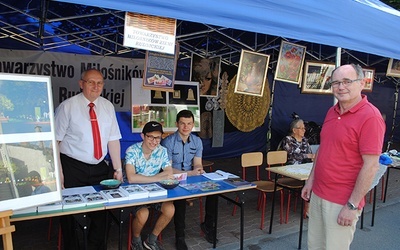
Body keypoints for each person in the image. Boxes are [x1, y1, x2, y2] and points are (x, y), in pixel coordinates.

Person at [301, 64, 385, 250]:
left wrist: (352, 205)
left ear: (362, 83)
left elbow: (371, 166)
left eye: (347, 81)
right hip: (319, 194)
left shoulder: (371, 117)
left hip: (342, 201)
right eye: (336, 82)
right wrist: (310, 181)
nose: (341, 87)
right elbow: (323, 149)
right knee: (314, 246)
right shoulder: (332, 111)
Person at [55, 68, 122, 250]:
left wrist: (118, 169)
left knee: (102, 213)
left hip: (100, 167)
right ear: (81, 84)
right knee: (70, 213)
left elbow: (113, 139)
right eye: (91, 82)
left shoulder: (108, 106)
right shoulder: (67, 107)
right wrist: (59, 172)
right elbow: (55, 141)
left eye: (99, 83)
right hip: (72, 167)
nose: (95, 86)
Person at [161, 109, 218, 250]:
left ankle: (208, 226)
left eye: (189, 123)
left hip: (191, 176)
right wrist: (189, 174)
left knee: (214, 191)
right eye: (182, 123)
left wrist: (198, 169)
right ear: (176, 124)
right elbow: (166, 169)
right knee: (180, 198)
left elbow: (198, 162)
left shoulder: (197, 141)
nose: (186, 127)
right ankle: (180, 236)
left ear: (193, 125)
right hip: (172, 178)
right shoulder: (168, 142)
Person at [125, 121, 175, 250]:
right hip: (135, 192)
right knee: (143, 214)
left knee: (170, 209)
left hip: (155, 191)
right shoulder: (132, 151)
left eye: (158, 137)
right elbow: (131, 177)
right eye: (150, 137)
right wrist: (156, 177)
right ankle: (136, 240)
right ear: (143, 136)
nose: (154, 141)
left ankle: (151, 239)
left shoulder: (162, 151)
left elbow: (169, 171)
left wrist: (146, 179)